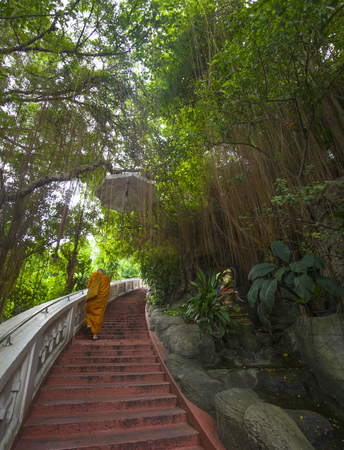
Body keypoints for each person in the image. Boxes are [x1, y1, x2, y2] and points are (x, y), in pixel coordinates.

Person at [83, 268, 110, 340]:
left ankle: (88, 325)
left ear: (97, 271)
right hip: (100, 301)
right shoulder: (106, 278)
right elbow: (107, 291)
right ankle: (95, 335)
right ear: (103, 272)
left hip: (92, 299)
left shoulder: (94, 275)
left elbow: (89, 286)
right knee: (98, 316)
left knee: (89, 313)